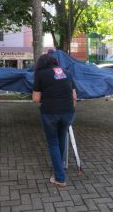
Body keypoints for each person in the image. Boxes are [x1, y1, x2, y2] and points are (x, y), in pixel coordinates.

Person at [32, 54, 77, 187]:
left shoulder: (41, 74)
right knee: (61, 139)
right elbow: (74, 96)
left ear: (41, 64)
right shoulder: (67, 73)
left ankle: (60, 178)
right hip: (68, 112)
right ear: (54, 62)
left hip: (50, 113)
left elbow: (35, 98)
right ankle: (60, 166)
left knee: (53, 143)